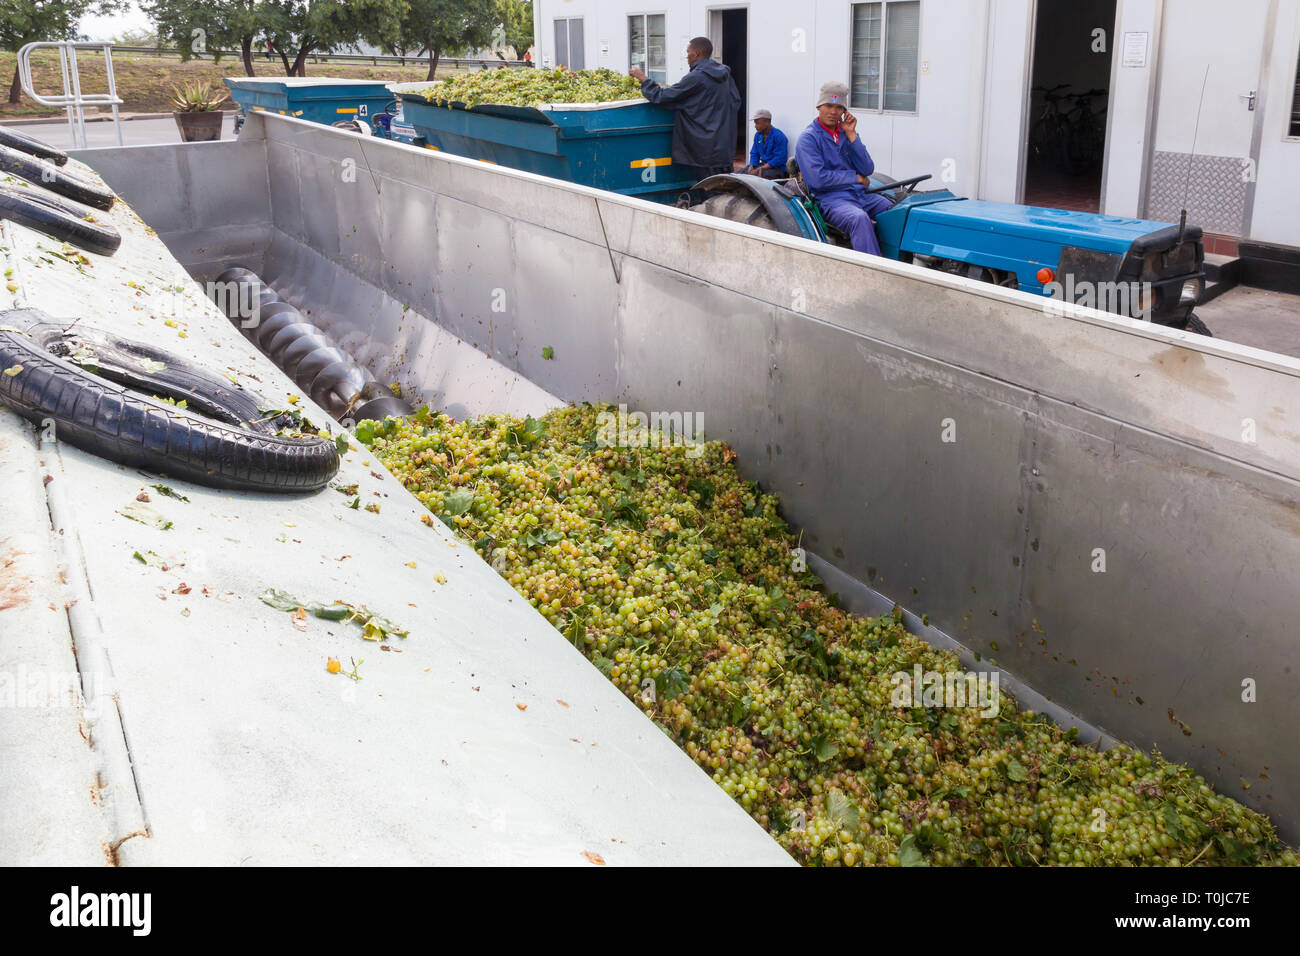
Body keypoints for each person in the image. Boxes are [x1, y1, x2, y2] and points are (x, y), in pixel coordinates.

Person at [794, 81, 893, 257]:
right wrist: (855, 178)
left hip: (860, 195)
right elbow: (818, 179)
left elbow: (867, 168)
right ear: (819, 107)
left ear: (844, 111)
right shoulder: (808, 139)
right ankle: (872, 270)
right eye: (829, 106)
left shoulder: (845, 134)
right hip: (831, 199)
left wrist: (852, 135)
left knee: (895, 211)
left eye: (839, 107)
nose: (833, 112)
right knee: (859, 219)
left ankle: (903, 263)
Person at [630, 37, 741, 184]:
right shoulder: (725, 75)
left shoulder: (696, 77)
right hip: (724, 148)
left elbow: (662, 96)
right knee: (725, 192)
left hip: (705, 150)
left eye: (688, 52)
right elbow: (735, 102)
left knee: (710, 193)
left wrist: (644, 79)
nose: (686, 56)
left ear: (696, 54)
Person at [744, 109, 788, 179]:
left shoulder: (779, 136)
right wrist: (752, 166)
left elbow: (779, 159)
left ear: (767, 122)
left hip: (777, 169)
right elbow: (754, 153)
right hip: (763, 165)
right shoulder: (758, 135)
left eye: (757, 123)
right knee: (742, 174)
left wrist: (759, 169)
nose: (755, 126)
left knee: (761, 178)